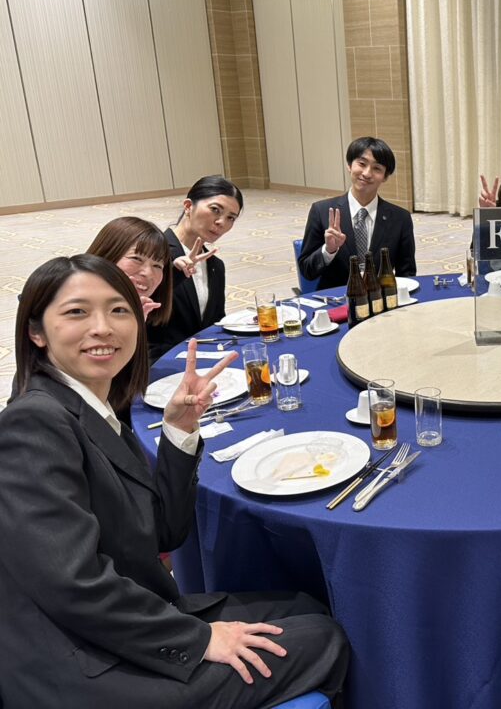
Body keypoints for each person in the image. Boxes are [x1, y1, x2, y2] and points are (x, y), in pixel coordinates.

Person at [0, 255, 348, 708]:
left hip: (123, 624)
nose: (103, 328)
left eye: (118, 310)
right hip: (81, 669)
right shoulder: (33, 423)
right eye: (77, 312)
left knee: (308, 605)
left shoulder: (94, 408)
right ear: (36, 332)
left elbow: (165, 533)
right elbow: (72, 584)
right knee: (325, 637)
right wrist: (200, 639)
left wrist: (180, 430)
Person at [298, 137, 416, 290]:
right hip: (336, 299)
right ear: (349, 165)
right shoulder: (321, 211)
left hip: (381, 299)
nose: (367, 173)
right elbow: (307, 270)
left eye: (377, 168)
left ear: (385, 176)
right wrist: (328, 250)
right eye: (362, 164)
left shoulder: (400, 218)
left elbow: (407, 274)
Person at [147, 175, 243, 361]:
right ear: (188, 206)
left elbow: (215, 324)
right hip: (161, 363)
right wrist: (173, 274)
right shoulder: (153, 254)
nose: (221, 222)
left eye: (230, 218)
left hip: (204, 360)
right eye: (215, 210)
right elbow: (136, 311)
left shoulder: (216, 266)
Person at [87, 216, 174, 325]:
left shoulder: (143, 314)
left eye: (157, 265)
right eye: (136, 259)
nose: (148, 273)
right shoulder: (76, 308)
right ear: (107, 256)